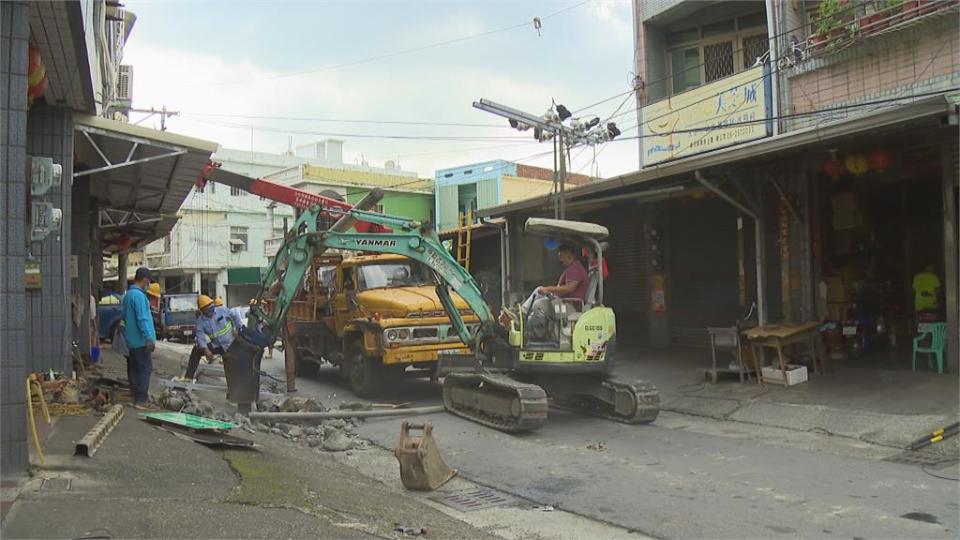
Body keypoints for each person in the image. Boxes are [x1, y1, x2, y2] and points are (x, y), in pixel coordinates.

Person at [177, 295, 244, 382]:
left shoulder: (222, 310)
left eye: (211, 307)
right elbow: (200, 338)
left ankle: (238, 383)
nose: (210, 310)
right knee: (197, 349)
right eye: (207, 309)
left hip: (232, 344)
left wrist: (237, 329)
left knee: (235, 364)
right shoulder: (200, 322)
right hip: (218, 346)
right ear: (202, 310)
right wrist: (206, 350)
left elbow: (235, 315)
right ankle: (188, 377)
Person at [122, 267, 157, 409]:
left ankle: (135, 396)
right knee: (145, 368)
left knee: (133, 368)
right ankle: (141, 399)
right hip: (141, 341)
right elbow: (142, 319)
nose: (148, 284)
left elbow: (124, 318)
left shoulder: (128, 295)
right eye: (148, 281)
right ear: (144, 280)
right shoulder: (139, 296)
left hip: (131, 340)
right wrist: (148, 337)